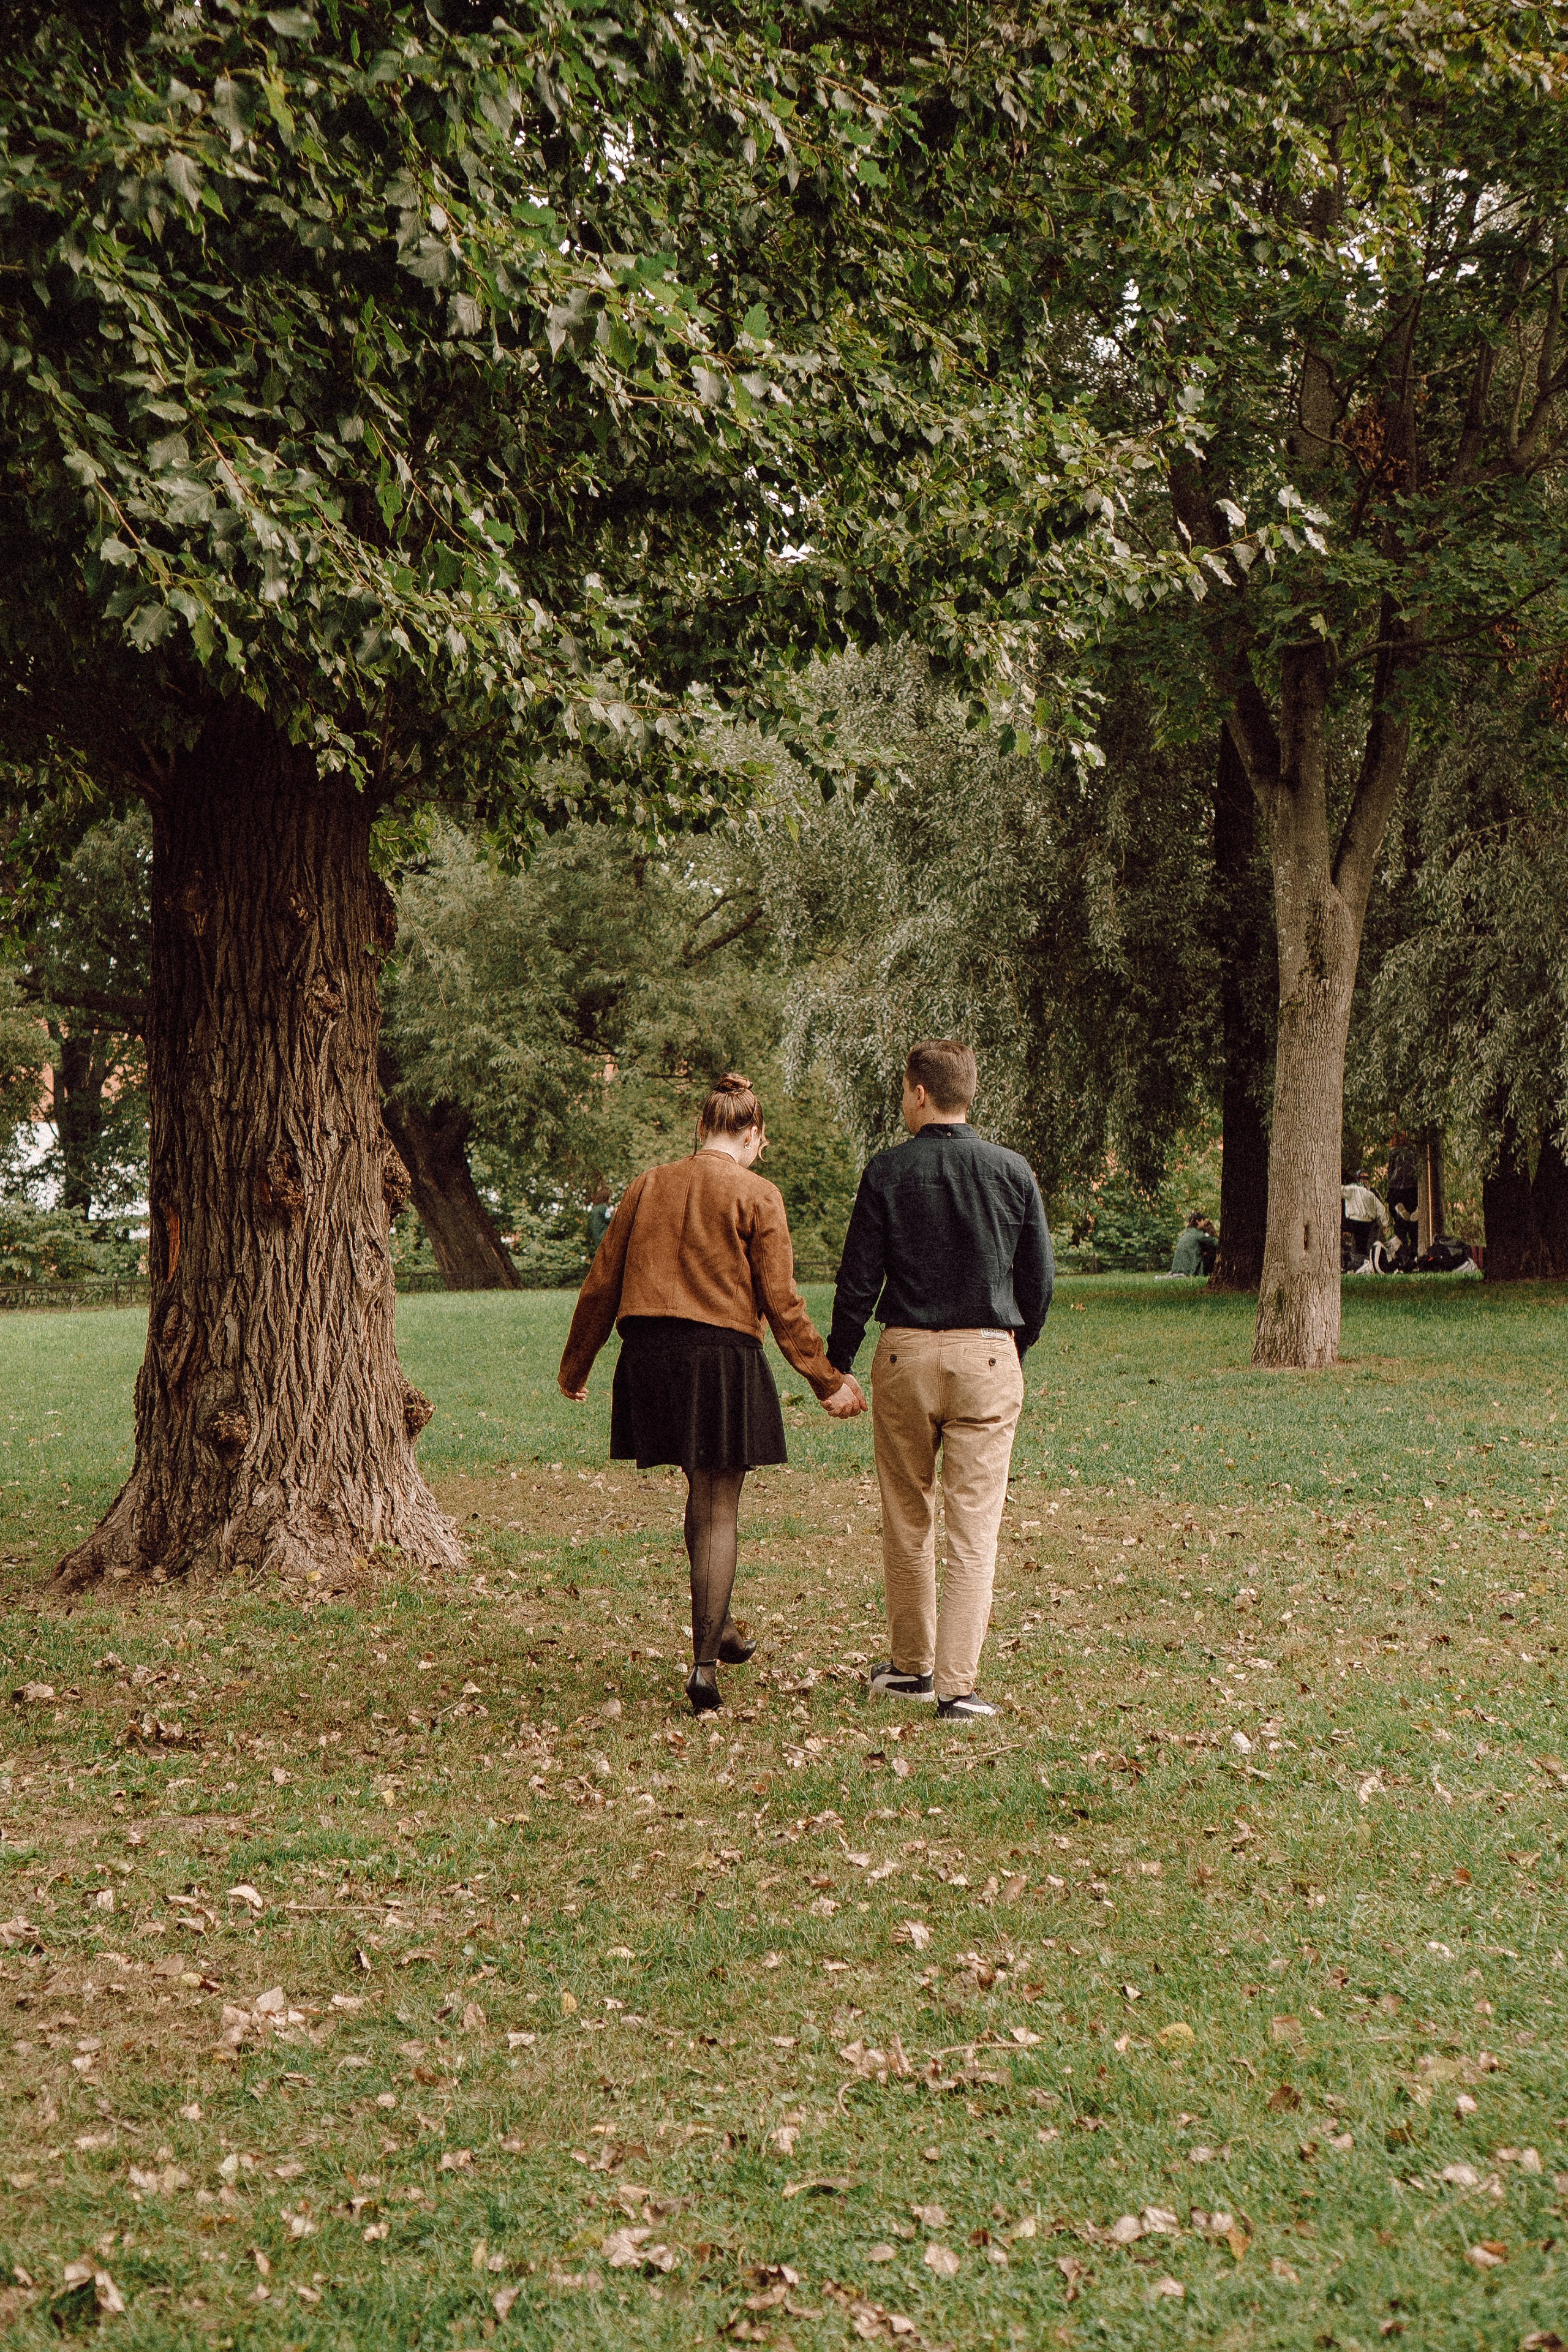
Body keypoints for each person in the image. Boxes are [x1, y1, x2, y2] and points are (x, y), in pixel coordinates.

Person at [557, 1072, 866, 1715]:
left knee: (701, 1490)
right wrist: (828, 1380)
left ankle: (717, 1625)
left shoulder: (647, 1185)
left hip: (648, 1359)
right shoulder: (757, 1193)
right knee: (719, 1504)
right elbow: (781, 1303)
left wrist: (575, 1369)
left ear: (702, 1128)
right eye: (762, 1140)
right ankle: (703, 1667)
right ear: (751, 1134)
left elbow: (601, 1281)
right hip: (719, 1356)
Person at [826, 1039, 1054, 1722]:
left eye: (903, 1089)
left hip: (904, 1358)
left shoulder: (888, 1171)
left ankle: (910, 1668)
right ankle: (958, 1687)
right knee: (973, 1526)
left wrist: (837, 1360)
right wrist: (1012, 1344)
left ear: (919, 1092)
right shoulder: (1011, 1171)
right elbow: (1037, 1280)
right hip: (987, 1353)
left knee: (907, 1515)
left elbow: (858, 1277)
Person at [1340, 1170, 1389, 1272]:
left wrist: (1384, 1224)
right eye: (1363, 1178)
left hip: (1360, 1223)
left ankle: (1364, 1264)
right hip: (1363, 1223)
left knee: (1359, 1248)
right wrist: (1385, 1223)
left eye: (1367, 1178)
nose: (1365, 1181)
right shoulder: (1368, 1193)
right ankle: (1365, 1264)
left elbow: (1381, 1208)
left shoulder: (1356, 1190)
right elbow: (1381, 1209)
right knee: (1359, 1247)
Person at [1167, 1212, 1208, 1277]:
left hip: (1176, 1271)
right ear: (1198, 1222)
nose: (1204, 1223)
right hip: (1186, 1272)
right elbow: (1216, 1243)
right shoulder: (1199, 1235)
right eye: (1203, 1220)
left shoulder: (1186, 1235)